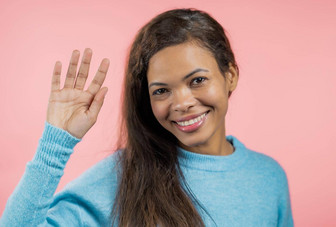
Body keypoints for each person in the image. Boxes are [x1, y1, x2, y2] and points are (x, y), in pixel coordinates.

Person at [0, 8, 294, 227]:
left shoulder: (269, 177)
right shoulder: (126, 176)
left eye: (197, 81)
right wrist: (55, 144)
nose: (181, 103)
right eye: (162, 90)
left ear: (230, 75)